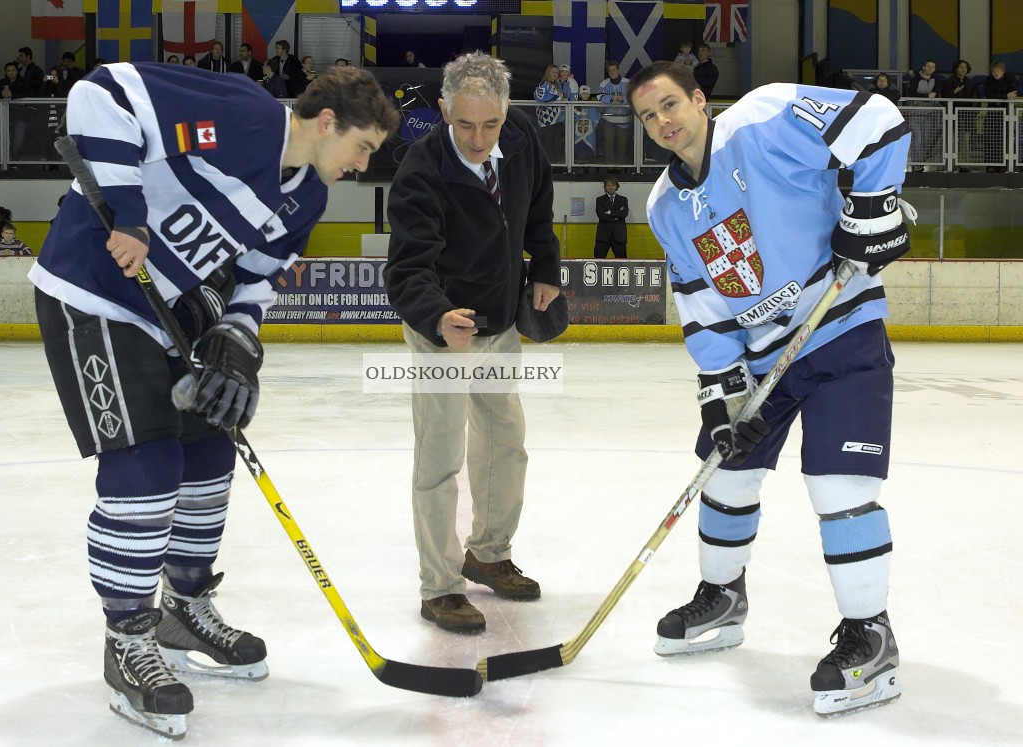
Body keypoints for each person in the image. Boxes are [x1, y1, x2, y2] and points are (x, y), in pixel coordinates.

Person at [28, 62, 397, 739]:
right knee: (146, 468)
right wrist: (130, 217)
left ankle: (184, 608)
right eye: (362, 146)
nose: (363, 164)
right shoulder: (246, 115)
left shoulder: (306, 195)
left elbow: (258, 277)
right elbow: (103, 95)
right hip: (93, 291)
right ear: (325, 122)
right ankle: (127, 636)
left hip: (170, 307)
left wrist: (237, 338)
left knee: (207, 456)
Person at [630, 61, 913, 717]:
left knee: (840, 487)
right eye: (649, 115)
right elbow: (700, 301)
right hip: (761, 362)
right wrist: (723, 391)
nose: (664, 121)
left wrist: (872, 209)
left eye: (671, 104)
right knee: (724, 474)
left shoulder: (765, 116)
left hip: (841, 330)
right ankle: (722, 595)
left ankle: (871, 633)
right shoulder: (664, 205)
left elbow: (878, 123)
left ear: (700, 99)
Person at [384, 52, 561, 635]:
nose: (479, 137)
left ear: (506, 111)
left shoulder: (522, 139)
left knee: (505, 445)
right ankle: (440, 586)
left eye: (489, 124)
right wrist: (438, 317)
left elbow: (538, 211)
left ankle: (488, 552)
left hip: (500, 324)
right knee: (440, 460)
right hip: (444, 335)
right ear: (443, 110)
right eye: (464, 125)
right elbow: (408, 269)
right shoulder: (421, 168)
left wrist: (545, 268)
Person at [905, 59, 942, 171]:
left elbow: (935, 93)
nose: (930, 69)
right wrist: (926, 97)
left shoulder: (935, 80)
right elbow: (912, 93)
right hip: (915, 114)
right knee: (917, 138)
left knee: (925, 139)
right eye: (928, 66)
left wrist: (922, 97)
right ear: (923, 67)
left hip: (928, 114)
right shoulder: (915, 79)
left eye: (932, 67)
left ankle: (921, 163)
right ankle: (916, 163)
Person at [942, 59, 978, 169]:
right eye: (961, 67)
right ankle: (950, 165)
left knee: (964, 141)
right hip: (952, 115)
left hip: (966, 116)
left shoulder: (970, 82)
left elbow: (975, 99)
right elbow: (944, 97)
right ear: (956, 69)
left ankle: (964, 164)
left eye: (965, 67)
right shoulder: (949, 81)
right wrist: (954, 92)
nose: (963, 69)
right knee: (951, 140)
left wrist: (973, 112)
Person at [983, 61, 1017, 172]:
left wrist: (1005, 96)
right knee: (990, 139)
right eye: (993, 71)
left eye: (997, 70)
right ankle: (990, 164)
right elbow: (989, 95)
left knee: (1003, 139)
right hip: (992, 113)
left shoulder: (1009, 79)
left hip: (1005, 114)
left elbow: (1013, 94)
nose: (995, 73)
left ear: (1003, 71)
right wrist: (1005, 96)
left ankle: (1003, 164)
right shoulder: (989, 80)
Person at [598, 60, 632, 165]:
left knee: (622, 144)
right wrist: (611, 98)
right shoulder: (604, 83)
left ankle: (620, 166)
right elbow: (599, 97)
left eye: (614, 70)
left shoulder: (627, 82)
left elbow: (633, 97)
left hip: (624, 119)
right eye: (610, 70)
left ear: (618, 70)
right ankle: (609, 167)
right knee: (608, 143)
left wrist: (622, 99)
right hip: (609, 119)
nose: (612, 72)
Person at [533, 64, 566, 164]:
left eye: (557, 72)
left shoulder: (557, 85)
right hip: (547, 121)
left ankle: (558, 165)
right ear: (548, 73)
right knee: (548, 144)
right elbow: (539, 97)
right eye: (553, 72)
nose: (555, 74)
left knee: (558, 143)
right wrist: (556, 98)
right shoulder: (544, 84)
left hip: (557, 119)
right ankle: (548, 166)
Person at [594, 176, 628, 258]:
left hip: (619, 236)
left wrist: (609, 212)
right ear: (605, 187)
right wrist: (617, 216)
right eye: (608, 185)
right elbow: (601, 216)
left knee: (622, 262)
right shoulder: (600, 200)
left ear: (616, 186)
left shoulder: (623, 200)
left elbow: (624, 214)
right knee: (598, 260)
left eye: (613, 185)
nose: (611, 187)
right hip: (603, 236)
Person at [572, 84, 601, 163]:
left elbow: (596, 117)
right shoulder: (575, 106)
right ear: (580, 94)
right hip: (578, 134)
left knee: (589, 151)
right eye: (583, 93)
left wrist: (593, 125)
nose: (585, 95)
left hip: (589, 134)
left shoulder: (592, 106)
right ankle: (579, 168)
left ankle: (590, 168)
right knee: (579, 151)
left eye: (587, 93)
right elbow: (572, 118)